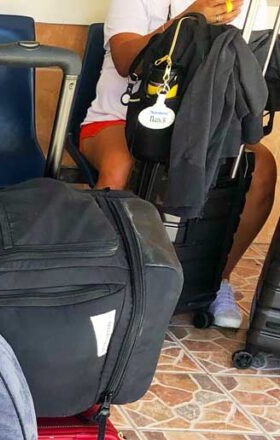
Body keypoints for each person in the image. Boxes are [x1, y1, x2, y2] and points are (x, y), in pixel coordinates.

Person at [81, 0, 278, 328]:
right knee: (119, 168)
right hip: (119, 118)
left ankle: (216, 281)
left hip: (200, 126)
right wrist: (188, 19)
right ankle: (100, 284)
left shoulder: (245, 6)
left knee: (260, 170)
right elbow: (126, 59)